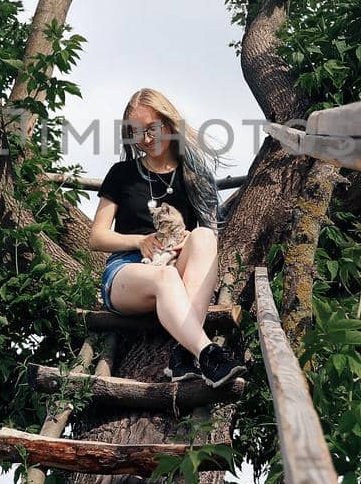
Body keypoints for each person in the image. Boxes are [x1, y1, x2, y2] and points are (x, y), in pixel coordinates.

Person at [88, 88, 246, 388]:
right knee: (165, 278)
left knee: (203, 237)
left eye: (152, 129)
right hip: (128, 271)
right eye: (136, 132)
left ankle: (182, 357)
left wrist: (185, 241)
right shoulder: (122, 174)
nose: (146, 139)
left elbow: (211, 232)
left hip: (173, 265)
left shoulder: (194, 175)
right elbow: (96, 237)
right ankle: (207, 352)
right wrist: (138, 241)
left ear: (170, 125)